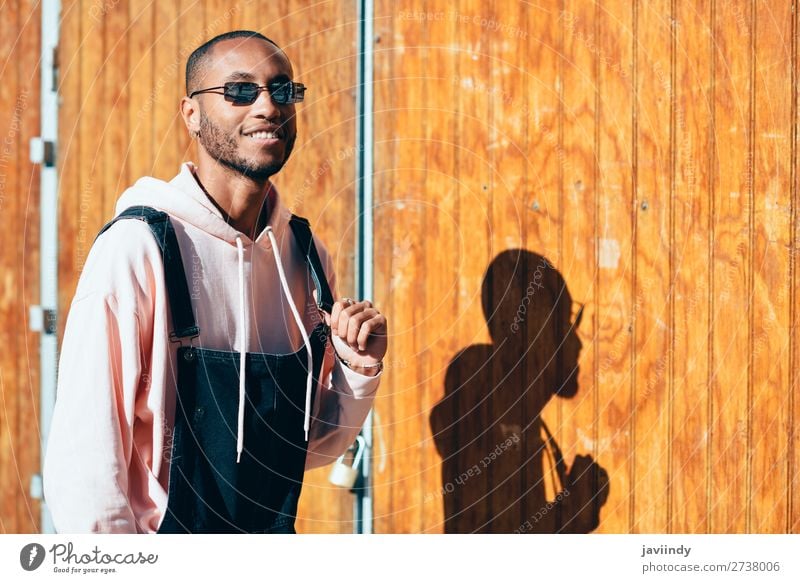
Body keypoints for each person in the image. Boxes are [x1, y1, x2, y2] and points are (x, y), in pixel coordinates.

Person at [43, 30, 387, 534]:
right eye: (240, 91)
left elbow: (305, 446)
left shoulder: (306, 260)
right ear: (191, 114)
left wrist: (359, 368)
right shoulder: (138, 249)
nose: (268, 106)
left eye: (283, 89)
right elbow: (87, 464)